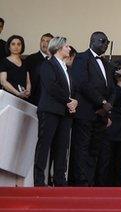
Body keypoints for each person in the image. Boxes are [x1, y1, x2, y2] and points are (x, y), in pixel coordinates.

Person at [69, 32, 113, 186]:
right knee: (82, 148)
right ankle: (81, 183)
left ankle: (90, 182)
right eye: (102, 41)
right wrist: (101, 101)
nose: (105, 45)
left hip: (101, 114)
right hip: (86, 111)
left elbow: (112, 88)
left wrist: (107, 106)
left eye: (107, 42)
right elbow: (82, 83)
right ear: (92, 41)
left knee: (95, 150)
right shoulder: (81, 58)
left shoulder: (106, 63)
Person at [33, 36, 76, 187]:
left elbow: (70, 89)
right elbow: (51, 86)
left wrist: (74, 100)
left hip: (64, 113)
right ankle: (39, 181)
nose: (69, 49)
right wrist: (68, 100)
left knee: (62, 147)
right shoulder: (48, 65)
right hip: (50, 110)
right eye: (67, 46)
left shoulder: (66, 68)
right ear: (58, 48)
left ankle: (59, 181)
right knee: (44, 145)